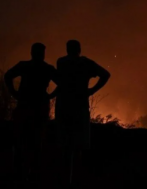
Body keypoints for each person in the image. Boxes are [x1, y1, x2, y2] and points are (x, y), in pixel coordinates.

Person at [54, 40, 110, 187]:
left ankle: (64, 179)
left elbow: (59, 82)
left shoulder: (61, 62)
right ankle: (75, 180)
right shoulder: (85, 63)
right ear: (79, 49)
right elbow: (105, 74)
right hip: (79, 107)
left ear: (67, 49)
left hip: (63, 107)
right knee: (78, 146)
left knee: (64, 145)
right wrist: (91, 91)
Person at [4, 42, 58, 184]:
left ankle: (19, 173)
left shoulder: (24, 65)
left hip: (24, 106)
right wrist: (50, 96)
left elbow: (7, 76)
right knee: (36, 141)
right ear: (42, 54)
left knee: (20, 140)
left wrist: (14, 93)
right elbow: (63, 82)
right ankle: (33, 174)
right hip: (39, 108)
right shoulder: (47, 68)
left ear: (31, 53)